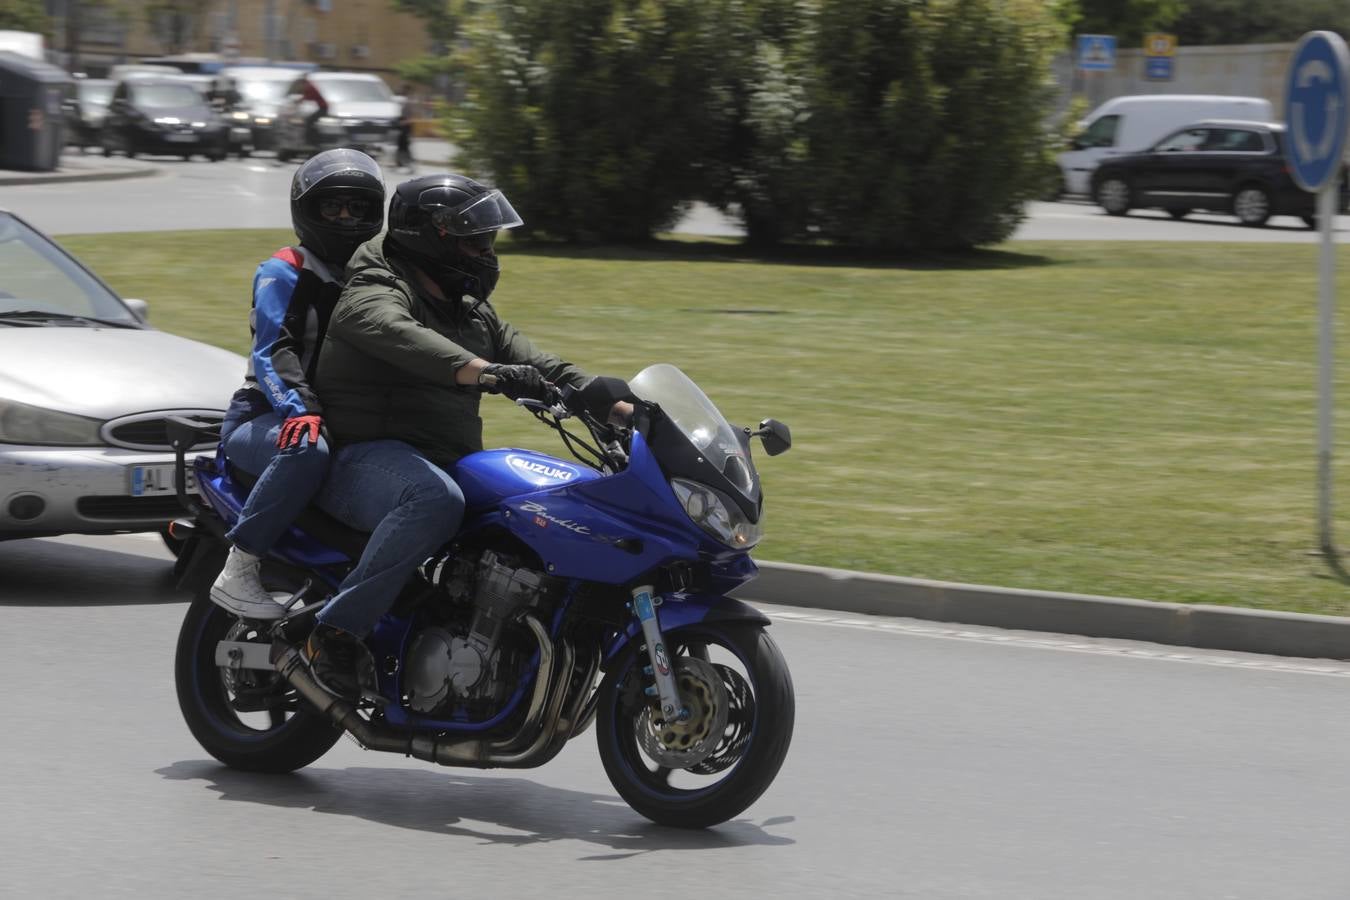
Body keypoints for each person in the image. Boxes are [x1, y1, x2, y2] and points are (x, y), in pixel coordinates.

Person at [290, 173, 626, 697]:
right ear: (430, 236)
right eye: (473, 239)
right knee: (433, 499)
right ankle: (333, 633)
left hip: (441, 456)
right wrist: (483, 371)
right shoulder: (371, 291)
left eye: (488, 239)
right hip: (362, 458)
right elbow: (401, 334)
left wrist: (630, 409)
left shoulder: (469, 309)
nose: (485, 252)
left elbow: (543, 364)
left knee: (544, 503)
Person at [209, 149, 386, 620]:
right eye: (333, 207)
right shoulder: (285, 269)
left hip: (337, 414)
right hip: (266, 414)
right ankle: (240, 565)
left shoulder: (374, 274)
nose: (346, 218)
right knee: (309, 449)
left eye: (357, 208)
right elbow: (272, 349)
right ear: (308, 211)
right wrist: (300, 409)